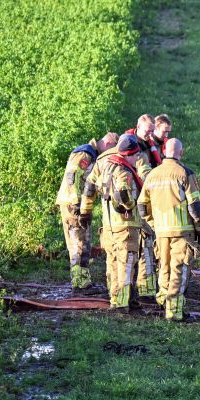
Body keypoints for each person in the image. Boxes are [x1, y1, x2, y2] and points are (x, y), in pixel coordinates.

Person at [80, 134, 152, 309]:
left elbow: (89, 187)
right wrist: (128, 205)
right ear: (127, 155)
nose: (137, 158)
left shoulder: (104, 164)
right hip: (126, 226)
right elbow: (123, 192)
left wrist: (85, 212)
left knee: (112, 263)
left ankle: (114, 299)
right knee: (126, 264)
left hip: (109, 225)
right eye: (135, 155)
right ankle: (123, 303)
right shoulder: (124, 170)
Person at [137, 138, 200, 321]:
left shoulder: (152, 175)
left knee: (164, 268)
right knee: (179, 270)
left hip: (161, 232)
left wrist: (153, 223)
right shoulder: (185, 173)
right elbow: (195, 207)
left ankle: (163, 304)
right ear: (181, 153)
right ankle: (174, 313)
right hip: (182, 233)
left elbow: (142, 206)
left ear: (164, 152)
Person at [55, 132, 118, 290]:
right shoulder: (86, 153)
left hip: (77, 203)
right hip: (73, 204)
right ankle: (80, 283)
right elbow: (73, 176)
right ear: (108, 143)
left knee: (83, 243)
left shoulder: (91, 154)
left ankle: (81, 280)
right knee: (79, 243)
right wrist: (77, 203)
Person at [124, 114, 160, 297]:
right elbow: (145, 172)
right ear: (138, 126)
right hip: (140, 198)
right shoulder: (134, 148)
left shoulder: (147, 143)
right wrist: (159, 183)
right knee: (146, 242)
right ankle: (146, 289)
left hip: (145, 197)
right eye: (148, 131)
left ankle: (144, 286)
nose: (150, 134)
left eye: (152, 131)